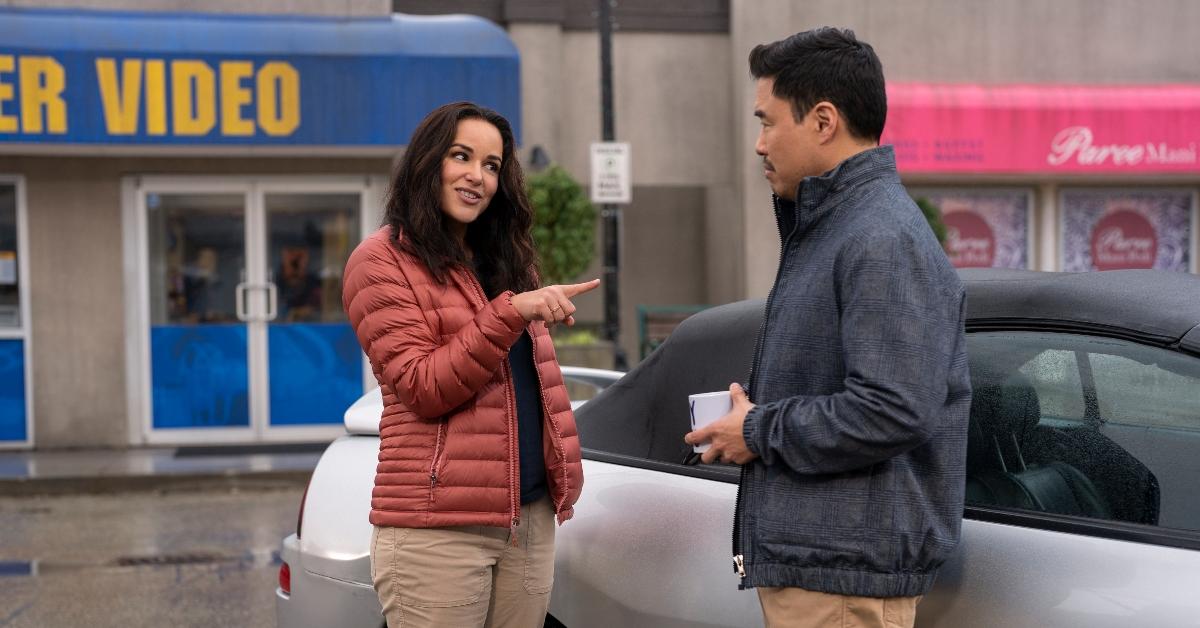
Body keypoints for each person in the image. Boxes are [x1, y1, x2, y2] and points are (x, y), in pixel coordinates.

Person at [684, 28, 971, 628]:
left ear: (822, 121)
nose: (759, 144)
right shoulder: (842, 227)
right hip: (829, 572)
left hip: (842, 581)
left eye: (767, 121)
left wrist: (759, 430)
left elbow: (892, 408)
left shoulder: (878, 236)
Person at [342, 101, 599, 628]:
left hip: (526, 522)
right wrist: (510, 313)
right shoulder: (381, 261)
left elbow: (530, 390)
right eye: (461, 156)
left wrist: (560, 481)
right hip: (439, 530)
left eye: (491, 165)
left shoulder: (504, 259)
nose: (477, 176)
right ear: (427, 162)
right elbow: (423, 386)